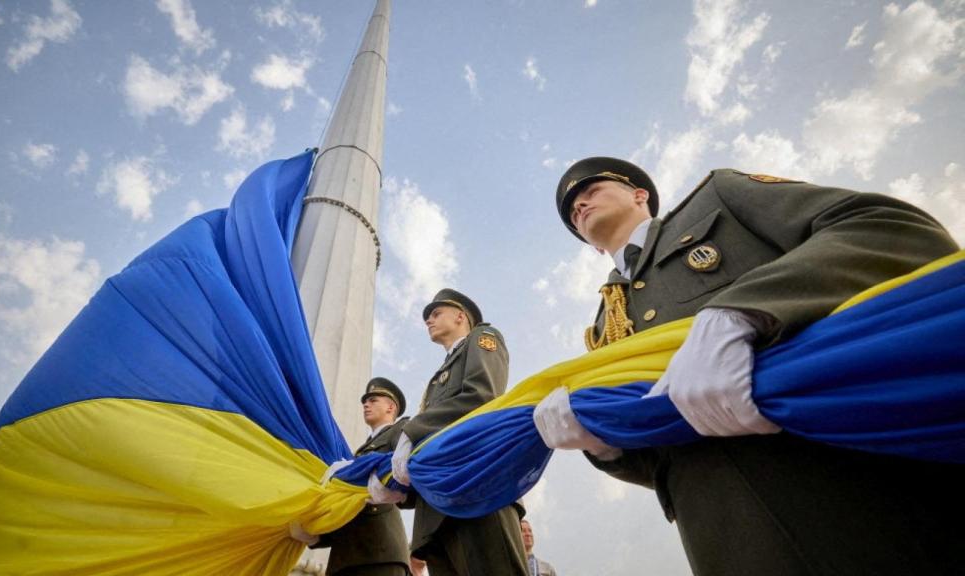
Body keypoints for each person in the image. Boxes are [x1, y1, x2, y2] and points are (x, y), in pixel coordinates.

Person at [534, 157, 964, 575]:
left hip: (856, 493)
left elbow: (882, 226)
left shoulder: (717, 201)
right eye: (574, 212)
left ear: (639, 195)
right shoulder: (601, 328)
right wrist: (605, 447)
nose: (581, 206)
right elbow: (658, 461)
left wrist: (746, 309)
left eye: (590, 191)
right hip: (728, 537)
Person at [390, 288, 528, 576]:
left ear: (460, 316)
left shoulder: (481, 338)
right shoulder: (437, 378)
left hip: (477, 488)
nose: (429, 320)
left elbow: (481, 395)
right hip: (438, 508)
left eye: (436, 313)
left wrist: (412, 430)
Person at [307, 377, 412, 576]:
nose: (366, 404)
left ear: (390, 407)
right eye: (365, 401)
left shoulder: (401, 431)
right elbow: (348, 505)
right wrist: (318, 537)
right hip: (347, 555)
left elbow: (407, 469)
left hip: (380, 551)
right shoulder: (356, 455)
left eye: (373, 400)